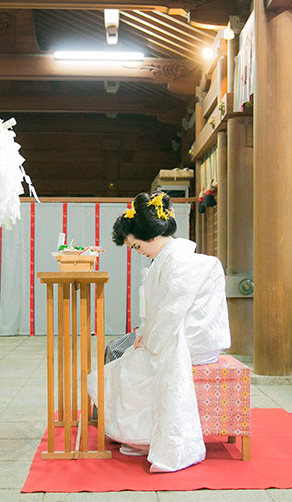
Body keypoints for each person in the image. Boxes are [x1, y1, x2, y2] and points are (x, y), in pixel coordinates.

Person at [87, 192, 231, 472]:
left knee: (129, 366)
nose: (138, 252)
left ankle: (145, 438)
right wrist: (146, 335)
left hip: (191, 339)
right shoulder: (168, 258)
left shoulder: (178, 262)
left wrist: (148, 339)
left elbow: (170, 313)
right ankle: (141, 435)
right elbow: (164, 312)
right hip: (176, 331)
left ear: (151, 237)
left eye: (136, 246)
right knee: (123, 356)